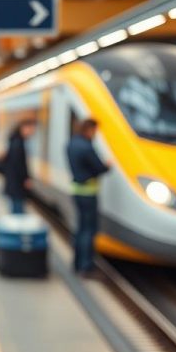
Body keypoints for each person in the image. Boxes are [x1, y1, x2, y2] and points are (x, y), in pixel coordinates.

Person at [66, 118, 110, 275]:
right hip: (89, 193)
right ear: (89, 129)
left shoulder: (71, 143)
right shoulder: (87, 147)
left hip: (76, 190)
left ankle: (76, 263)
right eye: (95, 131)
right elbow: (99, 168)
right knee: (89, 230)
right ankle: (86, 266)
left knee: (80, 228)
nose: (95, 134)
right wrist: (107, 166)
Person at [1, 119, 36, 214]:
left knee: (15, 209)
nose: (33, 132)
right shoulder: (18, 143)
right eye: (31, 129)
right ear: (23, 128)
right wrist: (25, 178)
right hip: (17, 185)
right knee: (17, 211)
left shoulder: (15, 141)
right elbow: (19, 165)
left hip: (13, 184)